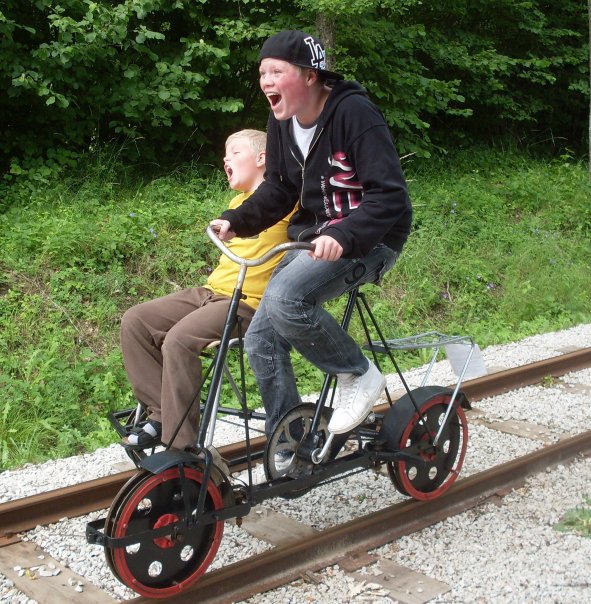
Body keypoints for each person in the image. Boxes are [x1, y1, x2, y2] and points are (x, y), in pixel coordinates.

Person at [210, 30, 412, 445]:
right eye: (262, 72)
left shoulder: (353, 113)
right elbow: (279, 189)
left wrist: (345, 232)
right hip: (315, 239)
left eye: (276, 71)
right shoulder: (282, 122)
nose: (266, 81)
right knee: (260, 340)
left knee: (286, 297)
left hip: (372, 238)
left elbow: (389, 196)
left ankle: (357, 373)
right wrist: (236, 219)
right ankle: (292, 439)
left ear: (309, 76)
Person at [121, 129, 291, 451]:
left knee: (179, 340)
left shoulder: (285, 203)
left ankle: (180, 447)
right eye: (225, 154)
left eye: (235, 152)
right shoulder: (237, 204)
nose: (226, 159)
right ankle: (163, 415)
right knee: (136, 321)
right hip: (210, 292)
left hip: (247, 303)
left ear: (262, 158)